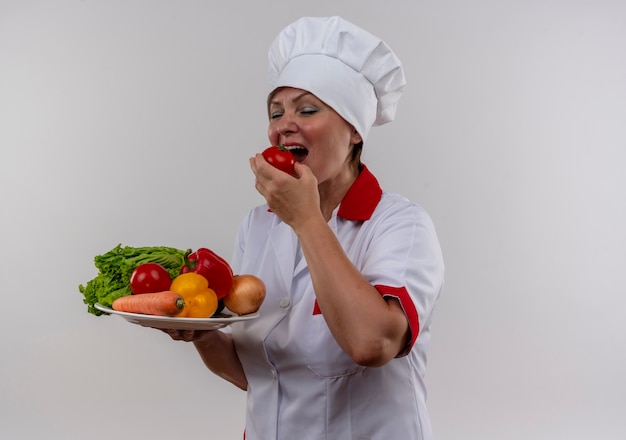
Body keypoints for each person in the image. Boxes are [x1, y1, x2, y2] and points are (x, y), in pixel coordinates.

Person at [165, 16, 444, 440]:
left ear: (353, 129)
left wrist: (306, 219)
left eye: (307, 109)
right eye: (275, 113)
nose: (283, 124)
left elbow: (374, 344)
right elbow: (257, 374)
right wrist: (199, 334)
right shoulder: (257, 226)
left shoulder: (401, 225)